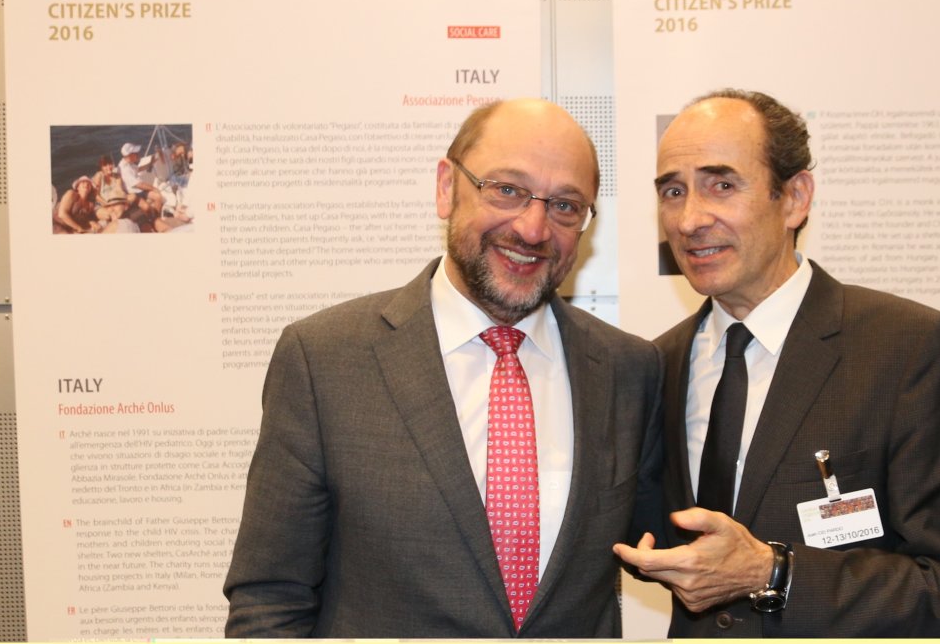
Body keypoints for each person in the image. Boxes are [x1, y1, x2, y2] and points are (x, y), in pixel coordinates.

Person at [224, 98, 661, 638]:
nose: (533, 229)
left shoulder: (628, 370)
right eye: (507, 190)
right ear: (447, 187)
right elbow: (270, 601)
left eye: (565, 206)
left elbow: (663, 546)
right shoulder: (324, 360)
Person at [615, 89, 940, 636]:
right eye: (673, 192)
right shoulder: (656, 364)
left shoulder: (910, 349)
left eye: (722, 185)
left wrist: (773, 572)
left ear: (794, 198)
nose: (690, 219)